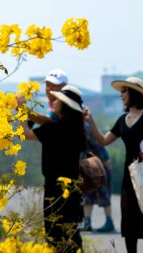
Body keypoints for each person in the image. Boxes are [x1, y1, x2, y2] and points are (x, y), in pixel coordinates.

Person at [28, 69, 116, 233]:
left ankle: (108, 221)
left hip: (94, 159)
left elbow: (46, 125)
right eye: (47, 86)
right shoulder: (57, 109)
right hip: (77, 163)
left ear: (64, 87)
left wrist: (23, 111)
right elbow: (46, 122)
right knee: (84, 199)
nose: (49, 90)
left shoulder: (71, 110)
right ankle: (88, 221)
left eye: (54, 86)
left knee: (101, 193)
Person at [84, 76, 143, 253]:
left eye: (124, 91)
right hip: (130, 177)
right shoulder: (122, 120)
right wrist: (90, 121)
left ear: (134, 93)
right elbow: (104, 141)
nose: (121, 95)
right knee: (129, 224)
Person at [20, 85, 87, 252]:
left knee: (54, 234)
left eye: (57, 99)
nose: (53, 101)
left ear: (65, 105)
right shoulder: (75, 127)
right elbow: (45, 120)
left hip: (55, 189)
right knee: (70, 232)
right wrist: (27, 110)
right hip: (72, 189)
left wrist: (22, 111)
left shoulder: (56, 127)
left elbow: (27, 134)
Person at [80, 126, 115, 233]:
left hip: (101, 166)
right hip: (87, 166)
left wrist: (104, 166)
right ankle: (87, 223)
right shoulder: (76, 127)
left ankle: (109, 222)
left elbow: (99, 148)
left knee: (104, 194)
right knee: (87, 194)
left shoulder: (86, 129)